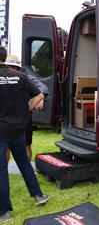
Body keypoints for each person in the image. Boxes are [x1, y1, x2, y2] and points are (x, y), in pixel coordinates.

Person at [0, 47, 50, 223]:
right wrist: (25, 110)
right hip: (18, 129)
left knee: (1, 170)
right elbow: (40, 94)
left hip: (1, 131)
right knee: (23, 163)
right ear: (5, 58)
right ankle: (38, 195)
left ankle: (5, 212)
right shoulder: (21, 76)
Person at [4, 55, 47, 162]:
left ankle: (26, 169)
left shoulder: (26, 77)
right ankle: (5, 170)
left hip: (24, 117)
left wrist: (41, 98)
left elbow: (43, 88)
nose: (11, 69)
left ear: (18, 68)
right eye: (9, 66)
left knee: (26, 144)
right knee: (5, 147)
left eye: (13, 67)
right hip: (5, 117)